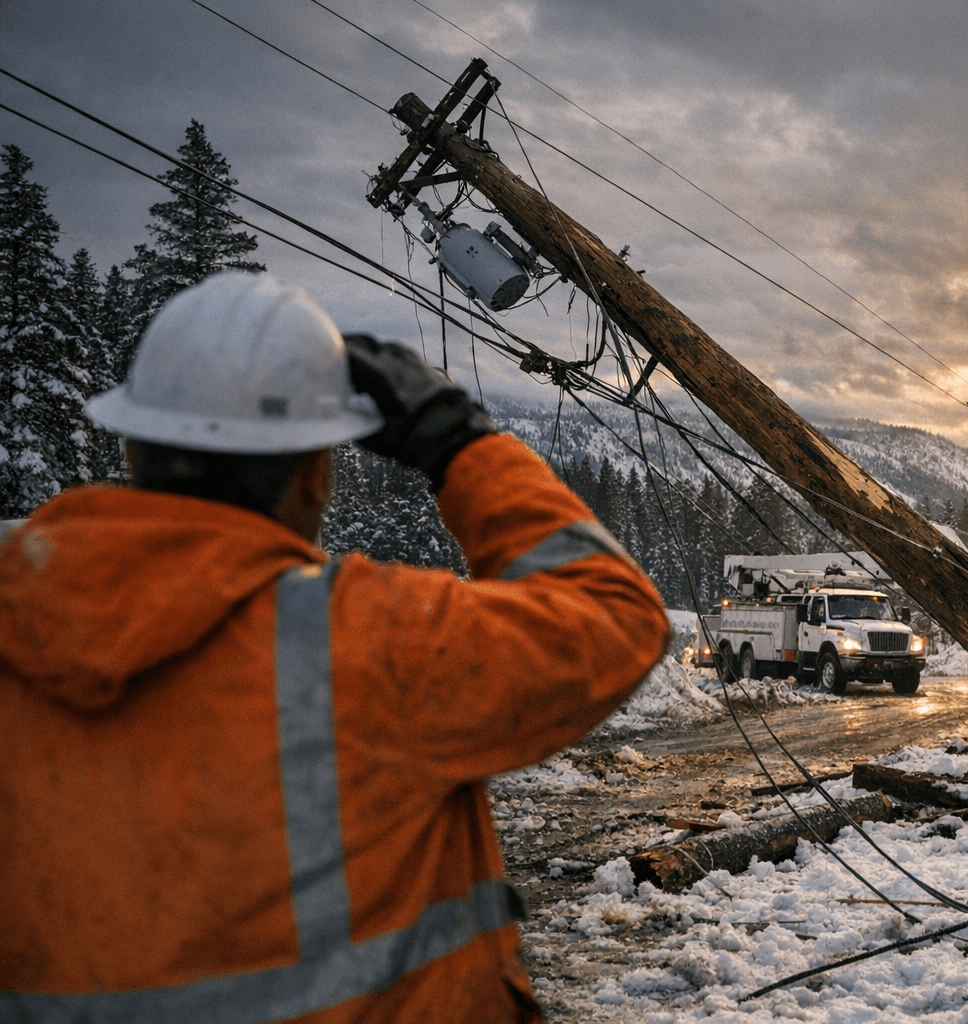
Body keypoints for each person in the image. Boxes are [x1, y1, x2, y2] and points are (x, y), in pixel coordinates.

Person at [0, 272, 669, 1022]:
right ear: (315, 475)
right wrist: (459, 442)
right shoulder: (365, 638)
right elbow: (613, 615)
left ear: (132, 447)